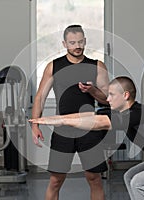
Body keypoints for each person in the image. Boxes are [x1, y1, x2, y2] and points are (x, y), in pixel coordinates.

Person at [30, 76, 144, 200]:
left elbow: (97, 123)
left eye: (112, 95)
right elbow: (88, 115)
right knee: (131, 176)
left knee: (139, 183)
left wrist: (62, 121)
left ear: (126, 95)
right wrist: (55, 120)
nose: (107, 98)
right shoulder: (120, 111)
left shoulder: (138, 113)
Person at [31, 24, 109, 200]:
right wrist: (35, 125)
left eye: (80, 42)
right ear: (64, 44)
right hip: (63, 130)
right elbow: (40, 98)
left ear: (85, 41)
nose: (77, 46)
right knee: (56, 180)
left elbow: (107, 99)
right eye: (72, 42)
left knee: (94, 178)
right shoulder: (54, 66)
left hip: (90, 128)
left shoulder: (97, 65)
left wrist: (92, 91)